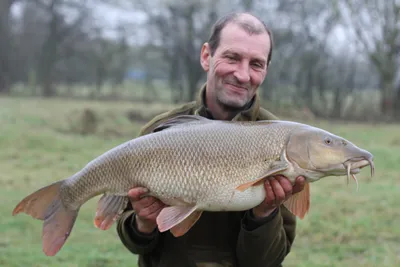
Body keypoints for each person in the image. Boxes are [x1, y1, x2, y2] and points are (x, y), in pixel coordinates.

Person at [116, 12, 306, 267]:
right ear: (207, 56)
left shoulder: (286, 144)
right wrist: (143, 223)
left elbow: (268, 261)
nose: (242, 74)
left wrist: (264, 214)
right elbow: (135, 244)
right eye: (232, 57)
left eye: (256, 64)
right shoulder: (159, 132)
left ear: (266, 71)